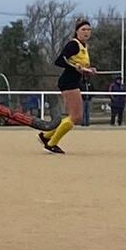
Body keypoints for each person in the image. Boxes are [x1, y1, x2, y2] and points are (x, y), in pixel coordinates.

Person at [37, 19, 97, 154]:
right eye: (83, 30)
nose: (87, 32)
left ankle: (46, 136)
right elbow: (60, 61)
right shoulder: (73, 45)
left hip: (73, 81)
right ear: (77, 31)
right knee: (76, 116)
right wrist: (76, 67)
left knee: (76, 116)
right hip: (68, 82)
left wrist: (89, 70)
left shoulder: (84, 46)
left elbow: (81, 66)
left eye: (89, 30)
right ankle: (51, 143)